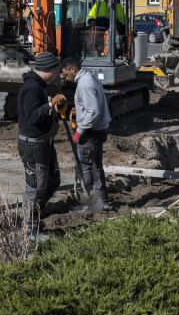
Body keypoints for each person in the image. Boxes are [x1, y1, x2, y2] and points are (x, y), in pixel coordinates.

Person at [17, 52, 67, 231]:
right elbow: (31, 117)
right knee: (36, 188)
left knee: (53, 181)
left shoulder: (40, 85)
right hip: (33, 146)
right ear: (49, 70)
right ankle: (29, 229)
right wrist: (49, 106)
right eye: (55, 70)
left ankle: (34, 215)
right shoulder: (32, 87)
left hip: (44, 143)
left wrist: (53, 110)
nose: (57, 73)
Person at [61, 57, 111, 210]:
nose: (66, 78)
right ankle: (103, 201)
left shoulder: (84, 84)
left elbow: (93, 111)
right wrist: (80, 110)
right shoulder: (90, 78)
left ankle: (88, 204)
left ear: (73, 70)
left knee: (85, 166)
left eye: (66, 74)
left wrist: (80, 130)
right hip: (99, 129)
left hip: (91, 131)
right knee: (96, 164)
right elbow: (91, 106)